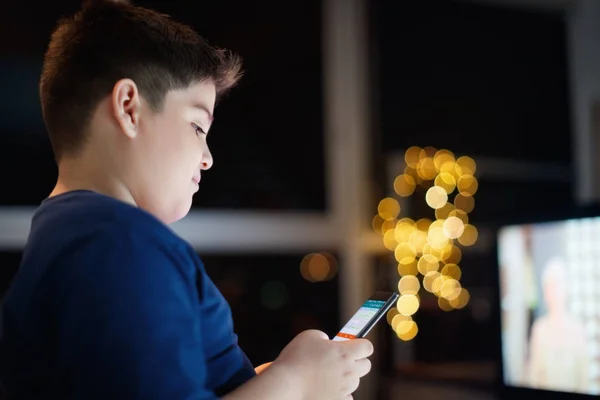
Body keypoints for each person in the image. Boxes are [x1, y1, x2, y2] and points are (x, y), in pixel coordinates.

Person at [0, 1, 373, 399]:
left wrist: (269, 381)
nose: (208, 157)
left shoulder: (65, 232)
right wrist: (296, 383)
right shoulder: (123, 244)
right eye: (197, 125)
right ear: (129, 108)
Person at [526, 256, 589, 394]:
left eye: (556, 285)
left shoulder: (577, 329)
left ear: (566, 288)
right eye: (547, 286)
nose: (551, 291)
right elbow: (533, 377)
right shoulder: (539, 329)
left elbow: (584, 380)